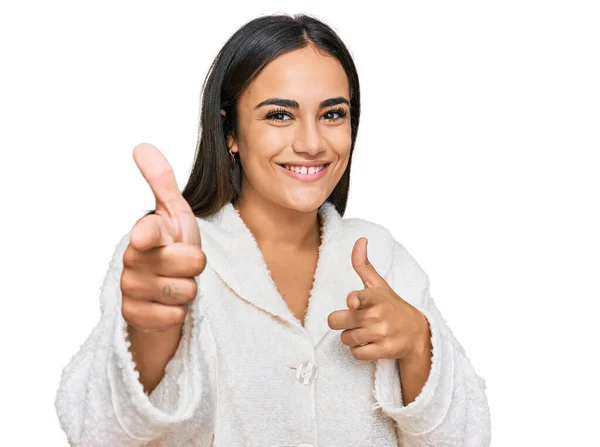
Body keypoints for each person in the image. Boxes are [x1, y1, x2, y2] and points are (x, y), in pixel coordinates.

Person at [54, 13, 491, 447]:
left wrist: (417, 345)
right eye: (280, 115)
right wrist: (153, 338)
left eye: (333, 114)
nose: (312, 143)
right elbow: (95, 432)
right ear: (231, 132)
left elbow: (469, 438)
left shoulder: (382, 255)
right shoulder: (170, 257)